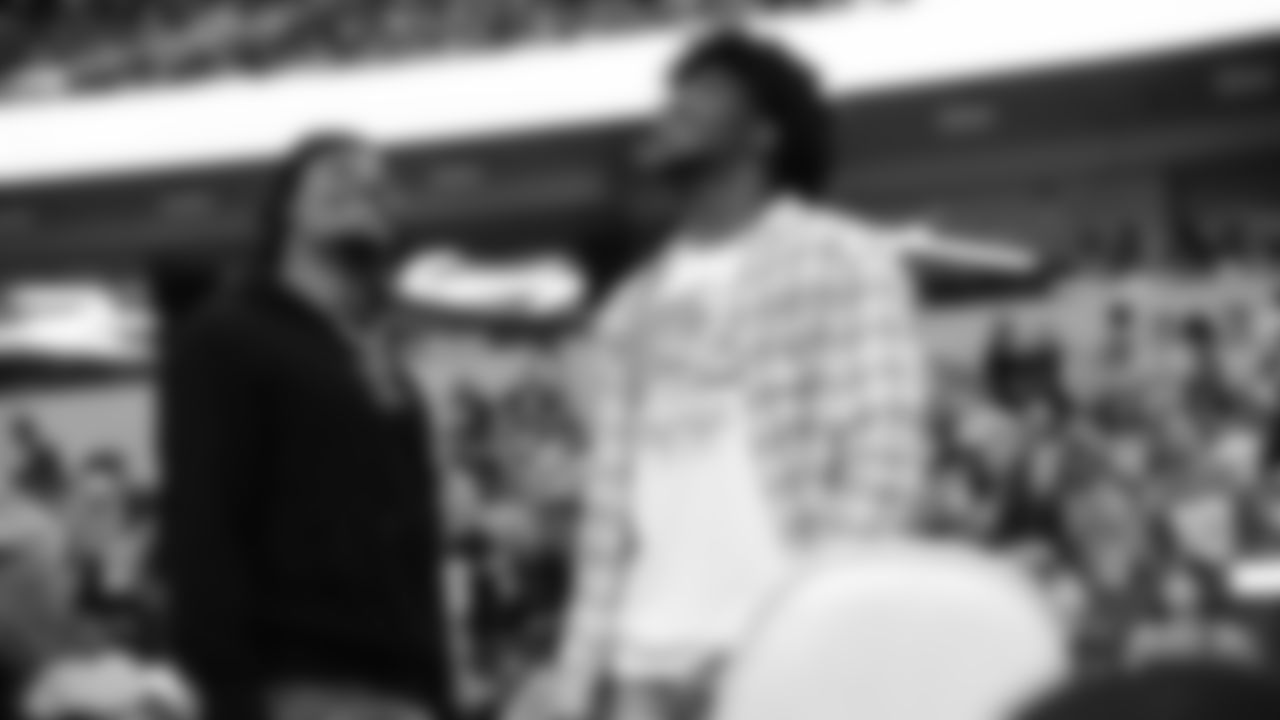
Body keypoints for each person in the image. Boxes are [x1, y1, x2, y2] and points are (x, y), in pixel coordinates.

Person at [543, 30, 929, 720]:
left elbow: (883, 466)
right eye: (672, 95)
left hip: (783, 664)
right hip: (644, 667)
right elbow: (610, 517)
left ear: (763, 135)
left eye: (704, 92)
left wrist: (797, 632)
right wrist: (573, 679)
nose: (673, 108)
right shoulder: (631, 305)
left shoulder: (843, 259)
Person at [158, 134, 454, 720]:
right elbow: (202, 531)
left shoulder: (383, 365)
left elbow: (417, 550)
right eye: (338, 177)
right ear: (286, 208)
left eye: (379, 186)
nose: (363, 187)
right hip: (296, 685)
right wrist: (231, 700)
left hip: (403, 689)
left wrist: (439, 693)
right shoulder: (225, 338)